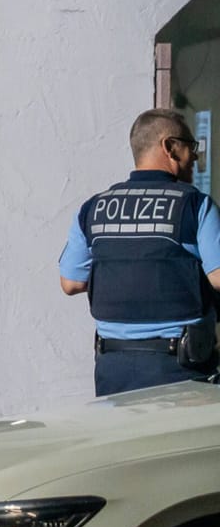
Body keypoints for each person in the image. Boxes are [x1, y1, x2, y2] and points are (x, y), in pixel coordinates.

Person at [59, 108, 220, 395]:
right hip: (180, 371)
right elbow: (218, 277)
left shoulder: (93, 208)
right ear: (170, 147)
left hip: (113, 369)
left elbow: (71, 283)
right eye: (190, 146)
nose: (194, 157)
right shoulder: (195, 205)